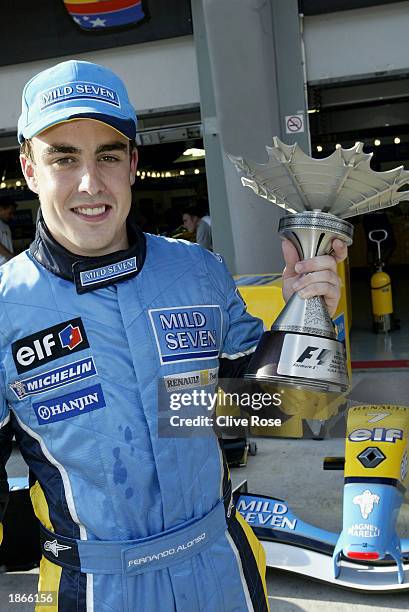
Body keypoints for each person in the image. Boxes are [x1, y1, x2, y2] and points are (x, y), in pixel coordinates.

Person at [0, 60, 347, 612]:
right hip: (95, 588)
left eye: (108, 155)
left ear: (133, 163)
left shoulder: (197, 272)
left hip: (220, 568)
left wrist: (311, 313)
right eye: (63, 157)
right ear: (29, 168)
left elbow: (286, 408)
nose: (90, 183)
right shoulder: (5, 307)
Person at [0, 198, 17, 265]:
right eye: (10, 213)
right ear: (1, 209)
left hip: (7, 266)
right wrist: (13, 258)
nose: (12, 216)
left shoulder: (6, 226)